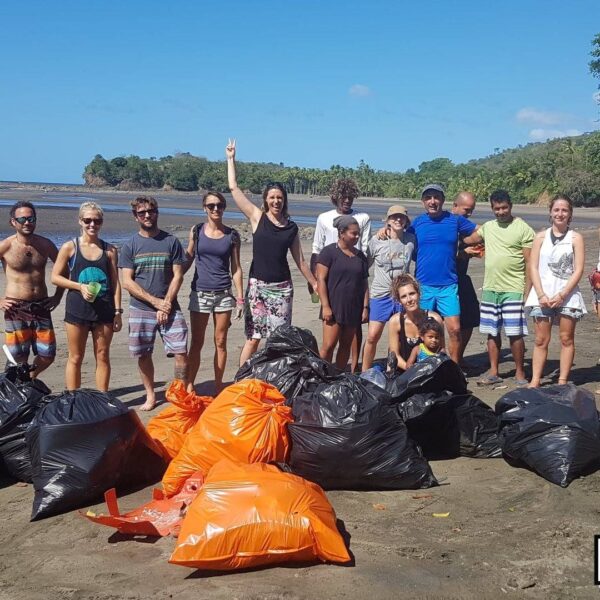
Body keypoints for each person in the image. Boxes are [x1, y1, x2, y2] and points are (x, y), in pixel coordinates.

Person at [225, 139, 317, 365]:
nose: (276, 201)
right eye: (272, 197)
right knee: (254, 338)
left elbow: (301, 262)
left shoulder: (292, 227)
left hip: (283, 288)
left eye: (279, 197)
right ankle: (241, 380)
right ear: (266, 199)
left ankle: (273, 379)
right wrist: (230, 159)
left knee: (279, 339)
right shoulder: (257, 217)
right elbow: (234, 189)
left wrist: (315, 283)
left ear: (284, 200)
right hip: (258, 287)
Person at [119, 196, 188, 410]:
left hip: (170, 306)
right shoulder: (130, 245)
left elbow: (178, 275)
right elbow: (127, 282)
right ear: (135, 216)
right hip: (141, 308)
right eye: (142, 213)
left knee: (180, 352)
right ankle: (150, 395)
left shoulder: (171, 241)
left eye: (151, 211)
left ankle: (179, 393)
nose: (147, 215)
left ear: (157, 212)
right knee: (142, 353)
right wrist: (155, 302)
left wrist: (166, 302)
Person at [463, 190, 535, 387]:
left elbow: (530, 263)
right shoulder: (488, 227)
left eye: (504, 208)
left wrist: (528, 291)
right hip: (490, 289)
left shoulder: (523, 228)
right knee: (492, 332)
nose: (501, 212)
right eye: (496, 208)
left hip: (513, 288)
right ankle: (494, 371)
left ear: (510, 206)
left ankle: (520, 373)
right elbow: (468, 239)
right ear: (492, 208)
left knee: (515, 333)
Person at [51, 202, 122, 391]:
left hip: (104, 312)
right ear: (80, 221)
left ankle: (102, 398)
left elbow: (115, 283)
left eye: (97, 221)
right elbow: (55, 277)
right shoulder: (69, 247)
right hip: (77, 310)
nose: (92, 224)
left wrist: (118, 312)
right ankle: (73, 398)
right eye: (88, 220)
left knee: (102, 354)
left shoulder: (109, 250)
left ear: (101, 222)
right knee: (75, 356)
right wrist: (79, 286)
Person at [407, 184, 477, 363]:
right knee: (421, 330)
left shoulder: (454, 220)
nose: (432, 201)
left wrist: (465, 250)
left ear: (443, 200)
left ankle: (454, 367)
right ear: (423, 201)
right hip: (424, 285)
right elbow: (400, 238)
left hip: (448, 285)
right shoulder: (417, 223)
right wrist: (385, 230)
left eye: (436, 197)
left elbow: (479, 232)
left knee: (454, 329)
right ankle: (421, 365)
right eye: (428, 198)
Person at [183, 191, 244, 394]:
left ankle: (218, 387)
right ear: (204, 208)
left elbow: (235, 268)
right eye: (211, 206)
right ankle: (190, 384)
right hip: (200, 293)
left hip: (224, 294)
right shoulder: (197, 230)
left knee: (220, 341)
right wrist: (173, 279)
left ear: (224, 208)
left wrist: (241, 297)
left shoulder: (232, 235)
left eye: (219, 205)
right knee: (197, 341)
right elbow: (188, 257)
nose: (215, 209)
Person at [525, 196, 586, 387]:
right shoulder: (540, 237)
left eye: (564, 210)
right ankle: (535, 379)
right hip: (542, 295)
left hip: (567, 296)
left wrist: (562, 294)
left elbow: (578, 269)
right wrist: (541, 294)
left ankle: (562, 380)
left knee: (566, 338)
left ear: (570, 214)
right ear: (550, 213)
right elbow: (532, 267)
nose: (560, 214)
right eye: (556, 210)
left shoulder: (576, 238)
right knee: (541, 339)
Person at [312, 178, 371, 372]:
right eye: (353, 233)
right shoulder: (329, 252)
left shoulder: (360, 256)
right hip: (334, 304)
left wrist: (365, 307)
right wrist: (325, 306)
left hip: (353, 306)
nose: (357, 236)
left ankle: (339, 375)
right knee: (328, 346)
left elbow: (364, 283)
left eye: (358, 233)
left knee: (346, 345)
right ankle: (322, 374)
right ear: (342, 233)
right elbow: (320, 278)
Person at [0, 201, 63, 376]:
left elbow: (64, 269)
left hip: (42, 306)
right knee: (18, 355)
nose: (27, 222)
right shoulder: (6, 246)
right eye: (23, 219)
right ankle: (18, 389)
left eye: (31, 218)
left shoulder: (45, 245)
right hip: (16, 308)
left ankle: (29, 378)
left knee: (47, 354)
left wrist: (58, 296)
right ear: (13, 222)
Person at [361, 205, 415, 371]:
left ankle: (392, 370)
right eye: (394, 217)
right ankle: (365, 372)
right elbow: (363, 268)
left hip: (401, 297)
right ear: (388, 221)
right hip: (380, 295)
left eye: (401, 217)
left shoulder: (411, 240)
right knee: (372, 336)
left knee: (398, 337)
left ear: (406, 221)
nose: (398, 220)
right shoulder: (376, 241)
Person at [387, 274, 445, 371]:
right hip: (405, 371)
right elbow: (394, 355)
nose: (409, 300)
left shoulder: (435, 318)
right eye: (404, 296)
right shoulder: (395, 321)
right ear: (399, 301)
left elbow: (442, 351)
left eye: (412, 293)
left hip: (430, 371)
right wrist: (412, 371)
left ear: (418, 294)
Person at [451, 191, 482, 367]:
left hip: (462, 277)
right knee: (439, 323)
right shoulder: (447, 223)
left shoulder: (465, 226)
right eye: (466, 210)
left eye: (471, 211)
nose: (469, 214)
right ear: (455, 206)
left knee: (470, 318)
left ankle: (458, 357)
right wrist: (462, 253)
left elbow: (482, 231)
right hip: (444, 279)